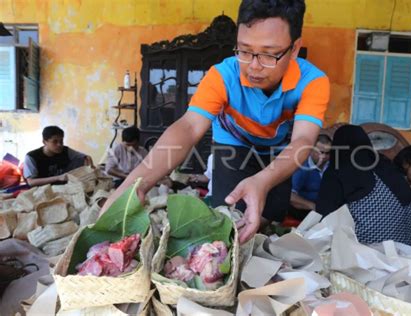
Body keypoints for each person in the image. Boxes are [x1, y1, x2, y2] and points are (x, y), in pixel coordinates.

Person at [99, 0, 330, 244]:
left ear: (294, 49)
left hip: (279, 149)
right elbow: (188, 127)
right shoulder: (223, 75)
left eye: (269, 54)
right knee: (229, 219)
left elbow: (303, 139)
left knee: (271, 214)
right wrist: (135, 184)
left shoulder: (313, 81)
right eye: (244, 50)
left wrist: (263, 180)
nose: (253, 66)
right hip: (233, 144)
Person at [316, 125, 411, 245]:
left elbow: (324, 214)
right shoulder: (384, 164)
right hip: (407, 240)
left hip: (369, 244)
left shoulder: (337, 170)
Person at [23, 126, 94, 187]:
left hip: (64, 186)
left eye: (61, 141)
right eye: (55, 141)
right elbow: (31, 182)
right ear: (44, 142)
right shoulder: (31, 157)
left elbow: (86, 157)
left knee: (81, 160)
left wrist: (90, 164)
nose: (59, 145)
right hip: (43, 190)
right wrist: (58, 178)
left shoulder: (66, 150)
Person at [289, 134, 331, 220]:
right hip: (305, 212)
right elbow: (291, 196)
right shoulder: (301, 166)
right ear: (311, 150)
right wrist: (313, 206)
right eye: (320, 152)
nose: (324, 156)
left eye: (327, 153)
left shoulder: (333, 165)